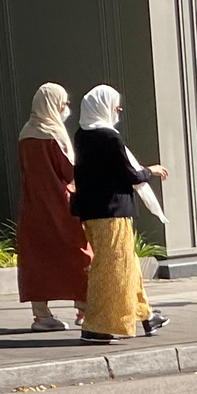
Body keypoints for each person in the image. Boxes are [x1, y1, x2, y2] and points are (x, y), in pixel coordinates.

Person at [70, 85, 168, 344]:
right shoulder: (109, 138)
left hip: (92, 211)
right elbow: (131, 174)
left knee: (128, 264)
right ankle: (97, 326)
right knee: (113, 268)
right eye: (115, 105)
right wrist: (151, 170)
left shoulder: (82, 135)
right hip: (113, 212)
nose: (119, 109)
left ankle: (145, 315)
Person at [15, 83, 91, 331]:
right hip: (61, 204)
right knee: (79, 254)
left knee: (38, 259)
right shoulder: (53, 135)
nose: (66, 108)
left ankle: (41, 314)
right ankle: (85, 309)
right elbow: (68, 172)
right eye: (64, 103)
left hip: (33, 205)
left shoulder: (26, 133)